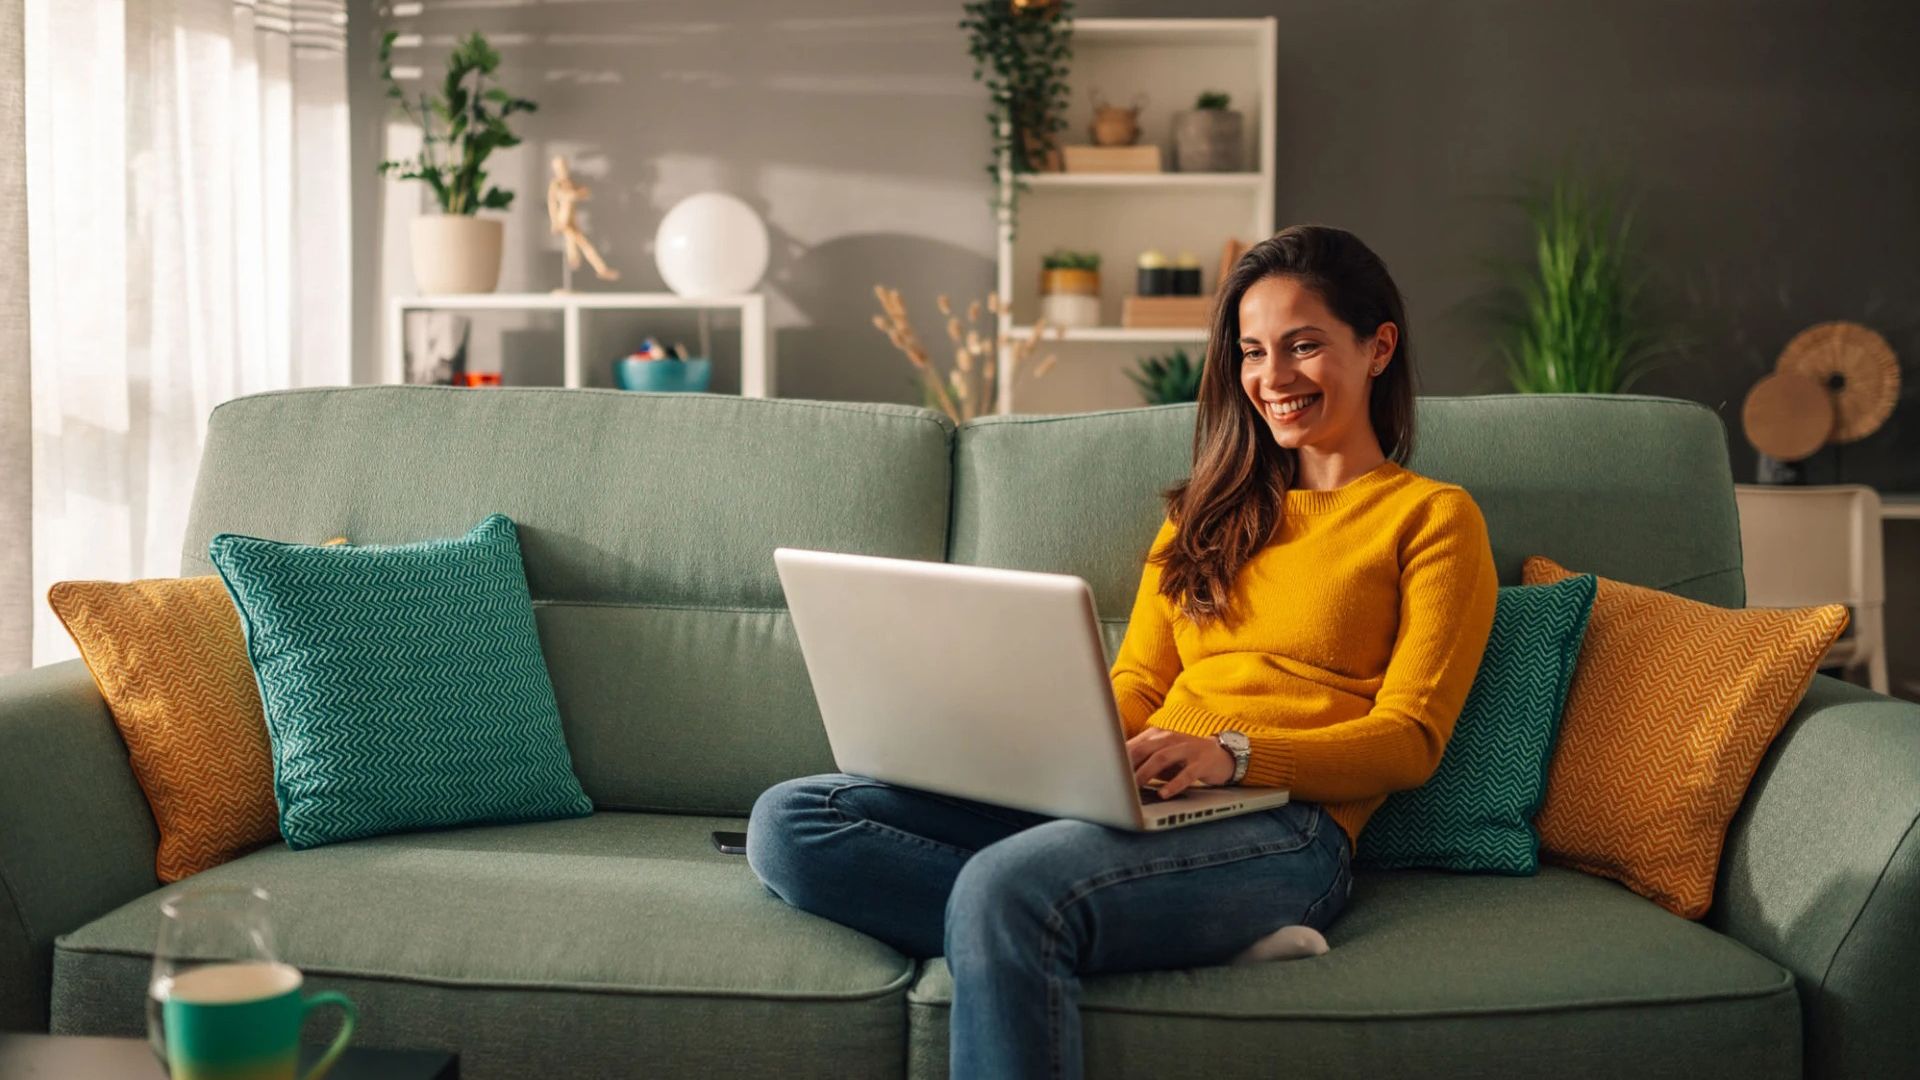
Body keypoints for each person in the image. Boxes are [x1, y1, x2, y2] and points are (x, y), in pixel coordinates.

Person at [745, 224, 1499, 1079]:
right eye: (1252, 352)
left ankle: (1066, 916)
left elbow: (1411, 741)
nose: (1273, 378)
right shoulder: (1201, 515)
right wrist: (1053, 753)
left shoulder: (1432, 518)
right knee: (794, 821)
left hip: (1287, 827)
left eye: (1304, 346)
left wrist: (1231, 754)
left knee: (1008, 890)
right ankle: (1154, 932)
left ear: (1378, 349)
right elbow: (1139, 680)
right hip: (1129, 795)